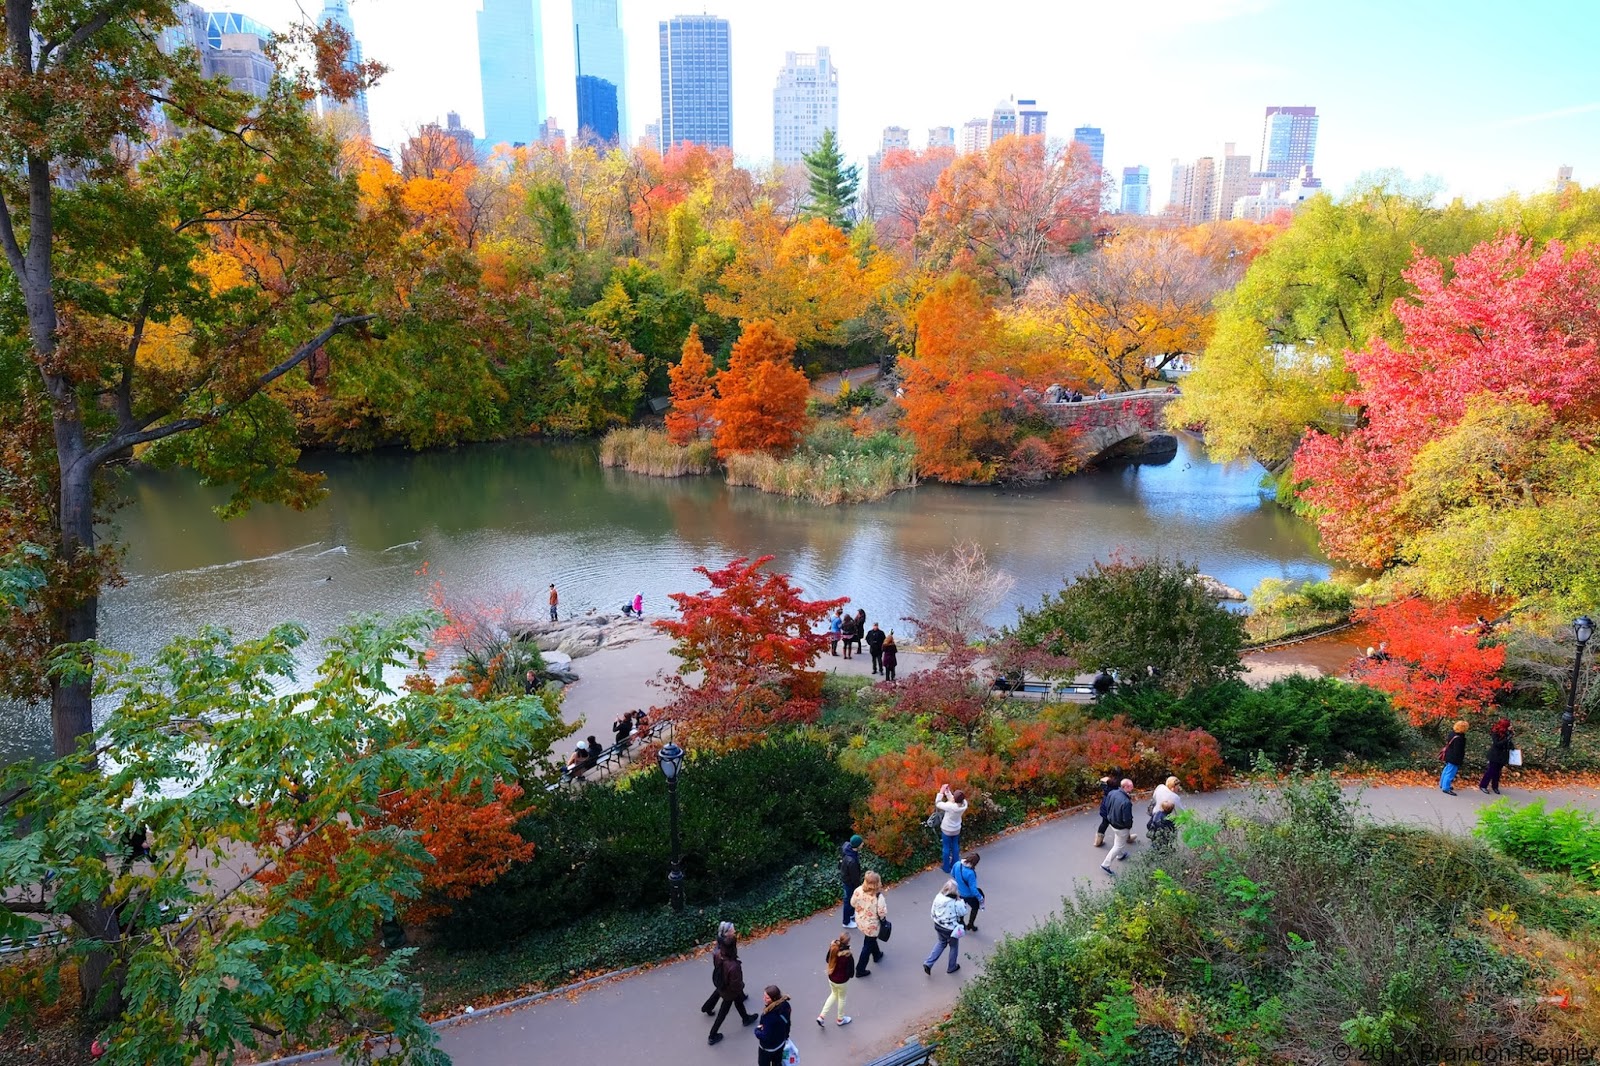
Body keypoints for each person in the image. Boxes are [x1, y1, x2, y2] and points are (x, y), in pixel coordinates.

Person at [702, 922, 757, 1045]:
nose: (735, 931)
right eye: (733, 930)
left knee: (728, 995)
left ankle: (708, 1007)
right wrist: (740, 987)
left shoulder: (717, 950)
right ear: (727, 934)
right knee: (724, 1010)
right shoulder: (733, 966)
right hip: (729, 989)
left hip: (721, 979)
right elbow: (736, 985)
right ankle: (712, 1035)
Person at [922, 879, 967, 976]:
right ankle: (952, 967)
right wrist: (961, 901)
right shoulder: (956, 902)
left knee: (941, 943)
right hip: (951, 930)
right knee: (954, 946)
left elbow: (932, 911)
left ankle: (928, 963)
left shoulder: (938, 897)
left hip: (938, 925)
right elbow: (963, 912)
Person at [850, 871, 887, 976]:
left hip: (860, 921)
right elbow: (882, 913)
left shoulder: (858, 890)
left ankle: (877, 955)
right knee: (867, 945)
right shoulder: (878, 897)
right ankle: (860, 969)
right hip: (872, 926)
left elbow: (852, 903)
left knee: (870, 940)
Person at [816, 933, 854, 1028]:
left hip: (831, 977)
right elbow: (851, 970)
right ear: (848, 942)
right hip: (842, 981)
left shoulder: (833, 948)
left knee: (833, 994)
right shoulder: (847, 955)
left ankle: (822, 1016)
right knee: (842, 998)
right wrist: (849, 976)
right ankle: (840, 1019)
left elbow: (827, 959)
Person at [1100, 779, 1135, 876]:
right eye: (1131, 786)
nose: (1133, 788)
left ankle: (1120, 854)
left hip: (1112, 822)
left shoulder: (1112, 793)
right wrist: (1129, 826)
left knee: (1118, 840)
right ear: (1126, 787)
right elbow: (1127, 818)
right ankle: (1105, 864)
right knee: (1118, 845)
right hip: (1121, 827)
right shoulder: (1126, 802)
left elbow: (1107, 805)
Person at [753, 985, 792, 1066]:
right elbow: (788, 1023)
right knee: (777, 1062)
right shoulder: (786, 1006)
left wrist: (757, 1031)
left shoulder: (769, 1016)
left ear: (774, 998)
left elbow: (765, 1036)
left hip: (768, 1048)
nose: (764, 999)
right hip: (781, 1043)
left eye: (767, 998)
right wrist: (786, 1036)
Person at [934, 784, 968, 873]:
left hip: (947, 829)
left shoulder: (950, 806)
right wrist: (948, 793)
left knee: (946, 848)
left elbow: (938, 803)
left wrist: (941, 792)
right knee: (955, 846)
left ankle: (946, 867)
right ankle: (955, 865)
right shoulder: (964, 804)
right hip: (956, 829)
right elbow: (954, 800)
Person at [1479, 719, 1513, 795]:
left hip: (1503, 755)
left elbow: (1509, 743)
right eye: (1509, 725)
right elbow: (1497, 744)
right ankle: (1483, 785)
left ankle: (1495, 786)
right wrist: (1506, 739)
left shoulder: (1508, 733)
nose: (1511, 726)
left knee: (1497, 772)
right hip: (1495, 755)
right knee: (1491, 770)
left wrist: (1511, 745)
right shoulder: (1496, 733)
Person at [953, 852, 983, 931]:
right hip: (969, 895)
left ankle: (961, 922)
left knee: (961, 908)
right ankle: (970, 924)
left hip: (959, 892)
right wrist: (980, 897)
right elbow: (973, 889)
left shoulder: (957, 864)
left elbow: (952, 874)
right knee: (975, 907)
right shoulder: (970, 873)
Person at [839, 834, 864, 928]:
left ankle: (851, 914)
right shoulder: (852, 861)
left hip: (847, 879)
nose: (863, 844)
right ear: (857, 845)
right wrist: (859, 887)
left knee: (849, 899)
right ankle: (846, 922)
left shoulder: (848, 848)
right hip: (849, 882)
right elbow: (855, 878)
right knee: (848, 900)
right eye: (861, 843)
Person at [1440, 719, 1469, 795]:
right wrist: (1459, 760)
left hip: (1448, 755)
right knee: (1450, 773)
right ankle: (1446, 788)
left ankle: (1442, 784)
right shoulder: (1459, 739)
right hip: (1454, 758)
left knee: (1446, 770)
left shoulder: (1452, 733)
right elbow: (1458, 751)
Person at [1093, 773, 1118, 848]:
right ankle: (1126, 838)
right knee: (1121, 826)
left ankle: (1098, 841)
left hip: (1105, 811)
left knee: (1104, 824)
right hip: (1112, 813)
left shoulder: (1106, 788)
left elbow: (1103, 780)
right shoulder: (1115, 793)